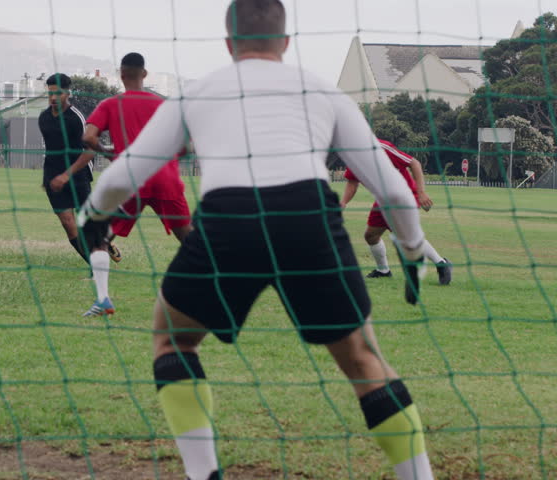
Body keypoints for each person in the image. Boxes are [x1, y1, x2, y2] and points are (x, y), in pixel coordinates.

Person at [77, 1, 435, 479]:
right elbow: (392, 188)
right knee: (364, 359)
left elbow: (121, 176)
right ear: (286, 42)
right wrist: (414, 251)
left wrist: (92, 215)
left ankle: (203, 474)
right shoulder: (322, 91)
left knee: (172, 340)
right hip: (307, 218)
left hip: (230, 220)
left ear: (228, 44)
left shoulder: (199, 94)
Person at [50, 52, 193, 317]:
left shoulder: (110, 104)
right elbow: (187, 144)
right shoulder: (164, 105)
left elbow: (88, 137)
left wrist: (107, 150)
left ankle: (103, 300)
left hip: (130, 179)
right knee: (190, 240)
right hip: (165, 179)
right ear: (145, 74)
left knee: (99, 239)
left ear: (121, 75)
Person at [340, 139, 453, 285]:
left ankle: (441, 264)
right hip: (383, 199)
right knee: (371, 235)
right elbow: (352, 182)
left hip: (403, 194)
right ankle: (383, 271)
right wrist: (343, 202)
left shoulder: (381, 148)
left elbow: (415, 163)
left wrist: (421, 193)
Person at [37, 73, 96, 264]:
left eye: (58, 93)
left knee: (87, 224)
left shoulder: (76, 118)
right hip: (54, 178)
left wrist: (67, 175)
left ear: (68, 93)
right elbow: (50, 150)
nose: (53, 98)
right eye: (50, 94)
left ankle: (101, 246)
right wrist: (48, 178)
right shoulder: (44, 118)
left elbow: (90, 152)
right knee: (68, 224)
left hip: (78, 176)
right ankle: (93, 264)